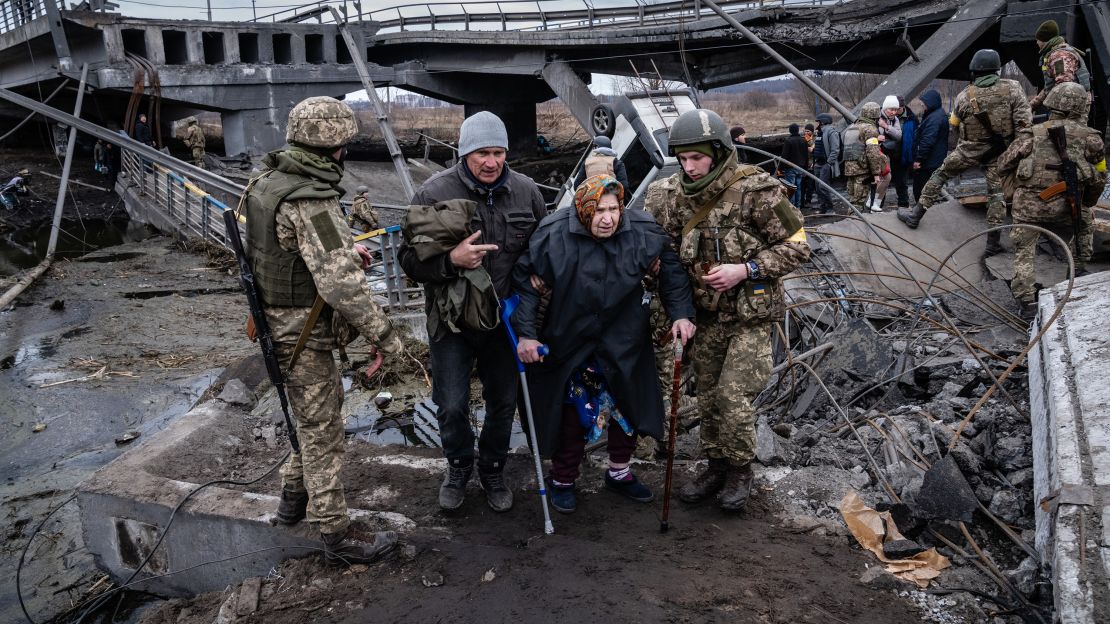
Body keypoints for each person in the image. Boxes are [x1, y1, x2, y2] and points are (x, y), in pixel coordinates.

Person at [245, 95, 402, 566]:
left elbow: (285, 253)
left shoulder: (266, 182)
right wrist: (386, 337)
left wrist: (346, 254)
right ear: (337, 143)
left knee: (310, 417)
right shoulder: (311, 197)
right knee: (322, 428)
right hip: (302, 330)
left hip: (276, 322)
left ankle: (293, 498)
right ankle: (336, 530)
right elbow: (342, 285)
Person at [646, 109, 811, 511]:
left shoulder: (757, 190)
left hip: (749, 317)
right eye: (682, 159)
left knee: (733, 396)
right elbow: (660, 255)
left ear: (719, 153)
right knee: (707, 400)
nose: (689, 166)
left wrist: (746, 269)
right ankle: (716, 464)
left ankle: (740, 470)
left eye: (697, 158)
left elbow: (799, 244)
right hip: (702, 317)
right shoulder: (666, 196)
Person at [510, 175, 696, 513]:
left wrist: (681, 315)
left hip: (624, 336)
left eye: (613, 209)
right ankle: (564, 478)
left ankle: (620, 472)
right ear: (583, 210)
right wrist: (526, 334)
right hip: (569, 335)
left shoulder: (641, 231)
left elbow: (672, 273)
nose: (607, 218)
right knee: (571, 412)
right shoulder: (554, 235)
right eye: (598, 211)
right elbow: (526, 286)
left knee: (626, 405)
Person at [399, 111, 547, 512]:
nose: (492, 161)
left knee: (503, 401)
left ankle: (493, 468)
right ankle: (459, 465)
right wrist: (452, 260)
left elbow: (545, 247)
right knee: (451, 403)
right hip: (451, 321)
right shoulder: (433, 193)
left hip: (505, 320)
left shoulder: (526, 191)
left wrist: (539, 277)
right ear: (465, 153)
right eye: (483, 152)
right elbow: (408, 262)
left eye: (498, 152)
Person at [899, 49, 1033, 259]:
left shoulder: (964, 96)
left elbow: (954, 125)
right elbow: (1025, 127)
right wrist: (1012, 156)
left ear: (974, 70)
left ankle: (916, 214)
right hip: (1002, 153)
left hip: (968, 150)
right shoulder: (1013, 89)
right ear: (996, 69)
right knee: (996, 195)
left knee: (940, 175)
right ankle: (992, 244)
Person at [997, 83, 1106, 318]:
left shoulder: (1031, 134)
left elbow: (1003, 164)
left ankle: (1026, 302)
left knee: (1024, 250)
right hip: (1067, 204)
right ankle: (1077, 276)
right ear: (1080, 107)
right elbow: (1100, 177)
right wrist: (1087, 203)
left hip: (1028, 206)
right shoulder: (1092, 139)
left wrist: (1012, 193)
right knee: (1085, 225)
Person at [1029, 20, 1092, 110]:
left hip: (1072, 108)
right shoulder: (1053, 54)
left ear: (1045, 40)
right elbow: (1050, 87)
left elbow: (1064, 86)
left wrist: (1047, 103)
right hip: (1068, 105)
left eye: (1038, 40)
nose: (1036, 43)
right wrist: (1032, 105)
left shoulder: (1059, 55)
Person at [842, 102, 889, 213]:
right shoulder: (870, 129)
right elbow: (873, 153)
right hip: (862, 171)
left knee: (853, 200)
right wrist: (876, 173)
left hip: (850, 170)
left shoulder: (852, 127)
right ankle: (855, 226)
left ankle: (849, 224)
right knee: (858, 203)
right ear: (875, 115)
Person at [912, 89, 949, 203]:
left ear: (931, 102)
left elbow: (928, 141)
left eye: (924, 102)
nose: (922, 104)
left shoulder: (934, 118)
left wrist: (919, 159)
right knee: (929, 188)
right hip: (934, 159)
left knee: (920, 189)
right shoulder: (936, 114)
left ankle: (922, 213)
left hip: (929, 161)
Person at [813, 113, 842, 214]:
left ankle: (830, 208)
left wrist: (828, 163)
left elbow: (835, 150)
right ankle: (823, 208)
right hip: (818, 164)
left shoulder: (831, 132)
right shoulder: (819, 133)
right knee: (817, 187)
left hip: (825, 164)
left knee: (823, 186)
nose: (818, 124)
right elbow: (818, 148)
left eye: (819, 122)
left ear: (823, 121)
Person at [779, 123, 809, 209]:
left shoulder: (788, 141)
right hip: (800, 168)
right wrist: (805, 169)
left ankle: (792, 208)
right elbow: (806, 156)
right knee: (798, 188)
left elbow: (784, 156)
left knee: (791, 189)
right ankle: (798, 207)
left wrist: (780, 169)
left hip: (790, 168)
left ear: (790, 130)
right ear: (798, 130)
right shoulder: (803, 140)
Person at [802, 123, 816, 207]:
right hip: (803, 165)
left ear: (812, 132)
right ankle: (802, 201)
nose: (806, 132)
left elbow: (815, 148)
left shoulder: (814, 139)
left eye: (808, 131)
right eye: (805, 131)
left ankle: (808, 200)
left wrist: (809, 141)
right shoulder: (802, 139)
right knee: (802, 184)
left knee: (810, 184)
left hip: (812, 164)